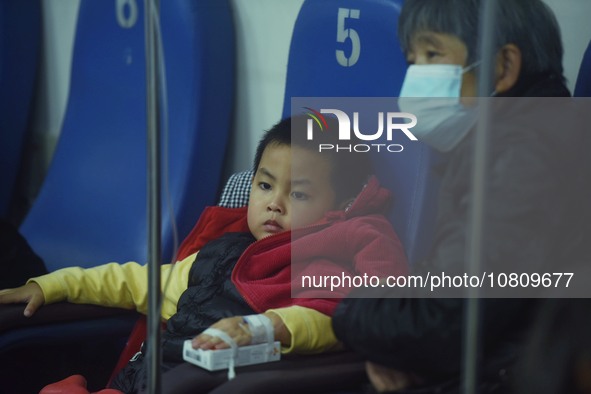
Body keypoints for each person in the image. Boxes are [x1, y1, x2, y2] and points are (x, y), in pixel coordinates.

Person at [0, 114, 408, 393]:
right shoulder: (219, 253)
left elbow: (327, 318)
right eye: (265, 186)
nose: (275, 204)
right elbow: (134, 282)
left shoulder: (318, 266)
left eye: (299, 193)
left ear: (342, 208)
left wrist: (265, 328)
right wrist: (52, 285)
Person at [332, 0, 591, 393]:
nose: (416, 76)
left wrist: (350, 310)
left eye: (433, 54)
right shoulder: (519, 139)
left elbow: (448, 318)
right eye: (412, 60)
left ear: (503, 67)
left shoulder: (523, 157)